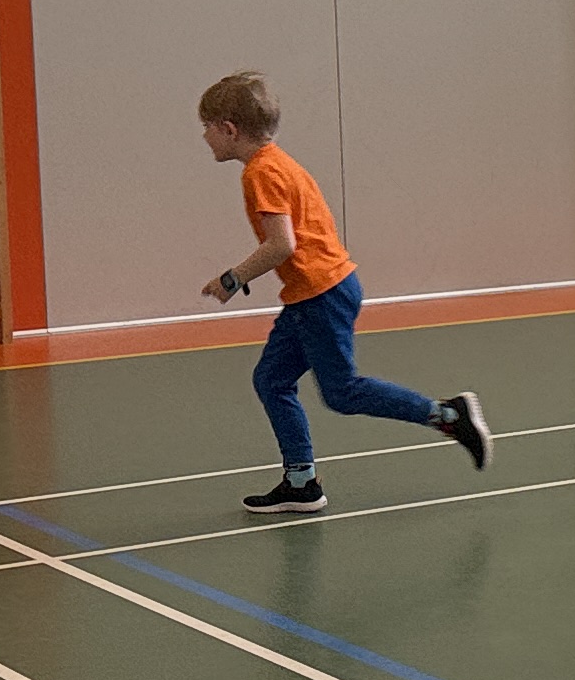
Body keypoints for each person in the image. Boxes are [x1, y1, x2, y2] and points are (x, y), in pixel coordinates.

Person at [195, 72, 488, 514]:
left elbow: (281, 245)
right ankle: (301, 483)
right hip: (313, 293)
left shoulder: (261, 172)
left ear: (229, 129)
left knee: (342, 392)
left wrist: (231, 280)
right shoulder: (276, 163)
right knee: (271, 380)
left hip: (322, 294)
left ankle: (448, 415)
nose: (204, 137)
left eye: (207, 127)